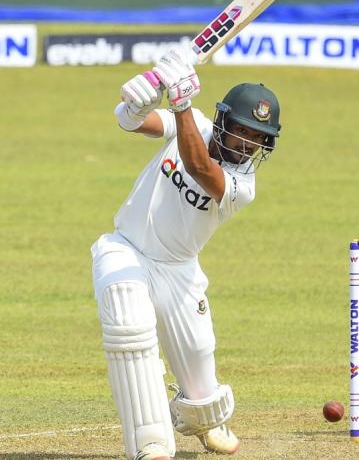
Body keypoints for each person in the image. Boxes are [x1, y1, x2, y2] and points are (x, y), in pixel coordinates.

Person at [90, 49, 282, 460]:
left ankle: (202, 420)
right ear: (225, 120)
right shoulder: (192, 122)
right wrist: (137, 103)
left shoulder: (241, 185)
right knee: (128, 318)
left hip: (179, 273)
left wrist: (180, 103)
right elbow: (136, 122)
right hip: (127, 248)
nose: (249, 144)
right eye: (244, 131)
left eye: (259, 138)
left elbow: (198, 167)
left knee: (201, 390)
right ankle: (151, 442)